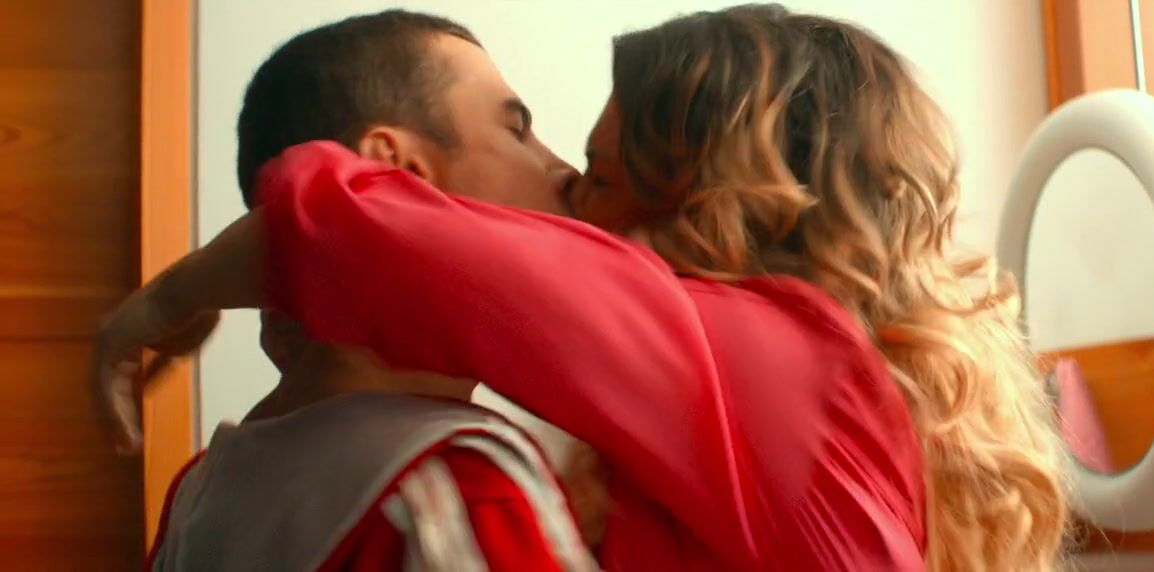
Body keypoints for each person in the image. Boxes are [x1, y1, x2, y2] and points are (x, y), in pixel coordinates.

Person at [97, 5, 1070, 571]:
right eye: (524, 132)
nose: (565, 184)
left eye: (598, 172)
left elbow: (344, 217)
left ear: (701, 196)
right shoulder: (503, 465)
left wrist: (168, 300)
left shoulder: (752, 353)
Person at [137, 11, 594, 571]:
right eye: (516, 130)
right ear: (398, 175)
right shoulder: (453, 490)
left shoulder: (200, 492)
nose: (568, 172)